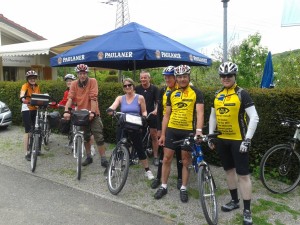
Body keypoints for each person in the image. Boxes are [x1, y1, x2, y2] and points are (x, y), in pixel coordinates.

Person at [208, 62, 259, 225]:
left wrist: (248, 139)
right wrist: (210, 135)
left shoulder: (242, 94)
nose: (226, 78)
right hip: (222, 140)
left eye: (229, 75)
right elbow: (213, 117)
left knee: (243, 175)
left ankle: (247, 210)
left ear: (234, 76)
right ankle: (234, 201)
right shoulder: (217, 94)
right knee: (229, 171)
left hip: (239, 140)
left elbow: (255, 117)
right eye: (223, 76)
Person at [154, 65, 204, 203]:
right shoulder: (171, 94)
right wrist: (163, 134)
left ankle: (183, 188)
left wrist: (198, 132)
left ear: (189, 77)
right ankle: (163, 186)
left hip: (187, 132)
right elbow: (166, 116)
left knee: (185, 161)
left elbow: (200, 113)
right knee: (166, 159)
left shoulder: (196, 92)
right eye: (180, 77)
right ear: (176, 78)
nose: (182, 79)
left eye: (185, 76)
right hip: (171, 130)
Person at [107, 78, 155, 180]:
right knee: (119, 146)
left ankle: (147, 170)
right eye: (125, 86)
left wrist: (144, 116)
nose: (127, 87)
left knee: (139, 148)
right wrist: (111, 109)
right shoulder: (120, 98)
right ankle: (112, 170)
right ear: (123, 88)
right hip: (123, 124)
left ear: (133, 86)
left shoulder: (140, 98)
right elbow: (113, 106)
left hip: (134, 124)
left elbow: (144, 111)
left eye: (129, 85)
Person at [63, 64, 108, 168]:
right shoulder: (74, 84)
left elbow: (93, 97)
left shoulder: (93, 81)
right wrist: (66, 111)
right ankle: (88, 157)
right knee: (86, 137)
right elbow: (70, 98)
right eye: (80, 73)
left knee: (99, 136)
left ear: (87, 73)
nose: (82, 75)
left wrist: (92, 112)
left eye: (84, 73)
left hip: (93, 113)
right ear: (77, 74)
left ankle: (103, 159)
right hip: (81, 114)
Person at [151, 66, 183, 190]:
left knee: (180, 154)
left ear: (175, 77)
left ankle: (180, 178)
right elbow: (159, 112)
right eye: (165, 77)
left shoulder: (181, 90)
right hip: (166, 126)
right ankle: (158, 178)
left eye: (169, 76)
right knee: (163, 155)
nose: (167, 79)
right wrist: (159, 129)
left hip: (178, 125)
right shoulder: (163, 90)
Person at [135, 70, 160, 166]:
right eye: (141, 77)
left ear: (149, 78)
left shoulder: (154, 89)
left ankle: (156, 157)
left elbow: (158, 102)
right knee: (139, 135)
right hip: (140, 115)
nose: (143, 79)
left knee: (154, 135)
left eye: (145, 77)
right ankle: (139, 154)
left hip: (151, 115)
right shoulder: (137, 88)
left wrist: (156, 110)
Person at [20, 70, 41, 161]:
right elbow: (22, 95)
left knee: (36, 129)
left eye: (34, 78)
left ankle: (36, 149)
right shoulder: (25, 86)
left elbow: (39, 97)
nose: (32, 79)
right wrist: (23, 99)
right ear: (28, 79)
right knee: (28, 130)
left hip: (35, 109)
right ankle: (27, 152)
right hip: (27, 109)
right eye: (30, 78)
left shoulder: (37, 87)